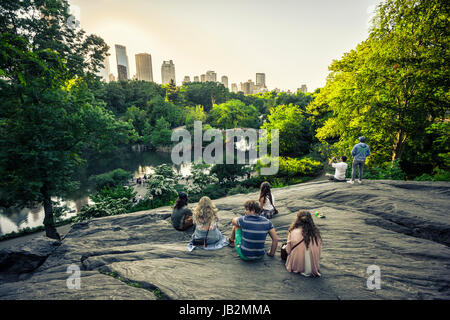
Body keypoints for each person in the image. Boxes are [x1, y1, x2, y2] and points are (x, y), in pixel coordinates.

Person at [285, 210, 322, 277]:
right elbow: (319, 251)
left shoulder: (293, 231)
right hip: (313, 265)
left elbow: (288, 250)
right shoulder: (316, 233)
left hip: (297, 265)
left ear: (298, 220)